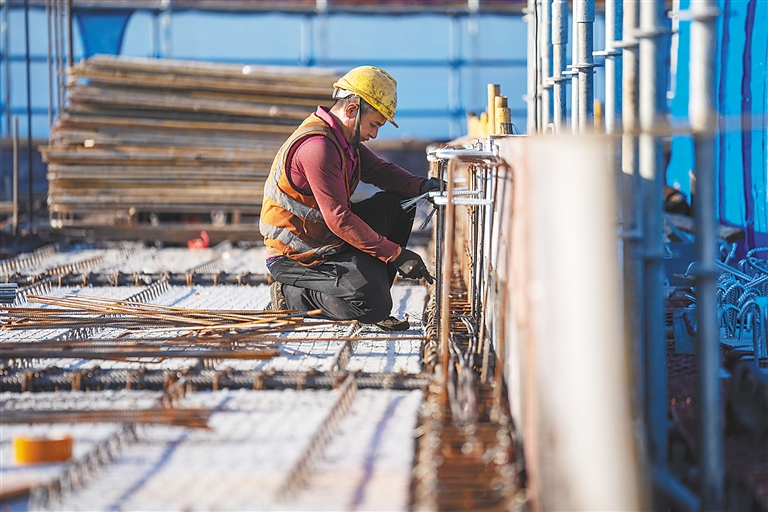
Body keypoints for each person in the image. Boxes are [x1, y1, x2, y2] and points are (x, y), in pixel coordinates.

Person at [260, 66, 441, 330]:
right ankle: (290, 296)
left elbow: (379, 171)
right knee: (372, 303)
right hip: (296, 256)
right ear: (352, 110)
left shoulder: (344, 141)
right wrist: (396, 254)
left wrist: (422, 186)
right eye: (374, 124)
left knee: (399, 206)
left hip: (325, 243)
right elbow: (338, 219)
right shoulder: (318, 148)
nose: (375, 134)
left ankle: (371, 292)